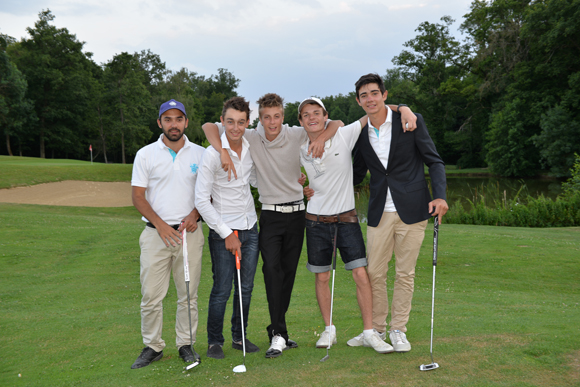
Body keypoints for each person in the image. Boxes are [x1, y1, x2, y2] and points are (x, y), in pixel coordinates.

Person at [203, 93, 417, 358]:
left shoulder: (297, 134)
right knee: (272, 272)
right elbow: (209, 127)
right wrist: (222, 150)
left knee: (292, 275)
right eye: (267, 117)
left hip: (302, 215)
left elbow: (339, 122)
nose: (272, 122)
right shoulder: (250, 135)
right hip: (273, 215)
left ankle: (289, 332)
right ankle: (278, 333)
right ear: (259, 119)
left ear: (285, 117)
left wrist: (403, 108)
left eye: (277, 116)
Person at [349, 73, 448, 352]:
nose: (370, 99)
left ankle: (398, 330)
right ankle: (376, 329)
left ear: (384, 95)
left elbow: (434, 161)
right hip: (379, 211)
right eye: (364, 95)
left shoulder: (409, 121)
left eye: (374, 93)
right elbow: (354, 175)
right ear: (358, 101)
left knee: (405, 273)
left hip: (414, 209)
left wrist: (440, 196)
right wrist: (318, 186)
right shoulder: (359, 133)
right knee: (374, 273)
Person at [298, 97, 394, 353]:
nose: (312, 118)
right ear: (300, 121)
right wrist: (301, 185)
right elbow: (292, 174)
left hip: (347, 218)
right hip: (315, 220)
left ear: (325, 115)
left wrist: (404, 110)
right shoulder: (298, 145)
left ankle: (369, 332)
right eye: (306, 115)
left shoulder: (343, 134)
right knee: (321, 277)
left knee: (360, 274)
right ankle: (329, 329)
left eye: (316, 113)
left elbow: (373, 113)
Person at [130, 99, 205, 369]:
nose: (174, 124)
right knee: (151, 295)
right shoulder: (146, 154)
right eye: (168, 119)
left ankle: (186, 343)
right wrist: (161, 225)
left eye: (179, 119)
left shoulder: (200, 154)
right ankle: (153, 345)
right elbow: (138, 197)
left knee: (188, 294)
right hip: (155, 234)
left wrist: (195, 214)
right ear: (160, 122)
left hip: (189, 234)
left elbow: (208, 193)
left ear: (186, 122)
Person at [195, 97, 260, 360]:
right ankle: (214, 341)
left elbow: (253, 179)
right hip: (224, 230)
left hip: (250, 227)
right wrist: (226, 234)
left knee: (245, 288)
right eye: (230, 121)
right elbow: (201, 200)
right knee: (222, 288)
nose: (235, 127)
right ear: (222, 121)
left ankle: (238, 336)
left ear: (248, 123)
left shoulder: (250, 146)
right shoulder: (212, 154)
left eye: (241, 122)